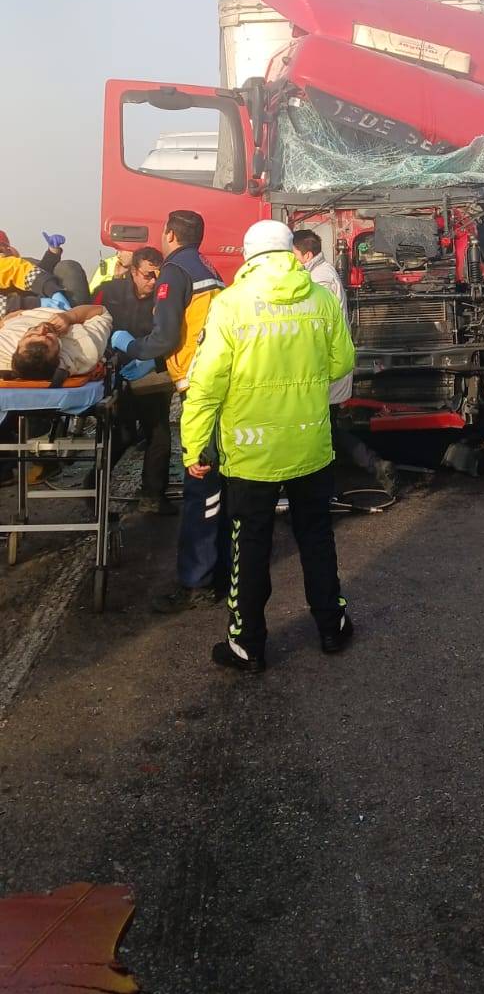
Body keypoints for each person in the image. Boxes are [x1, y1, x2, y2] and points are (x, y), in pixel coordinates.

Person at [182, 219, 356, 672]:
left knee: (251, 545)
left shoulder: (229, 305)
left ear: (248, 255)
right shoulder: (319, 299)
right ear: (288, 251)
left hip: (251, 451)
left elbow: (204, 385)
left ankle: (248, 644)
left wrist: (196, 446)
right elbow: (343, 362)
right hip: (309, 442)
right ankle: (331, 627)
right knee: (316, 537)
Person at [111, 210, 226, 612]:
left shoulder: (175, 271)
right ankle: (218, 570)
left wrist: (132, 347)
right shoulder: (209, 268)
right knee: (217, 480)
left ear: (170, 234)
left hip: (197, 386)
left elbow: (164, 337)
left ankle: (197, 582)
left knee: (199, 480)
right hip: (217, 378)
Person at [292, 228, 399, 497]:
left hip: (326, 368)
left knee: (323, 430)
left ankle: (355, 474)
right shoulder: (319, 274)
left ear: (306, 254)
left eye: (293, 254)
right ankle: (371, 466)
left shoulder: (320, 279)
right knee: (329, 429)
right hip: (328, 367)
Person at [96, 247, 173, 516]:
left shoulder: (166, 297)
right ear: (133, 271)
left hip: (150, 372)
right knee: (122, 434)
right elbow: (92, 324)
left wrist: (156, 361)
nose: (152, 281)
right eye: (147, 275)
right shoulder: (110, 292)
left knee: (159, 434)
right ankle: (93, 485)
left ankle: (152, 496)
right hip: (114, 371)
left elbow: (173, 335)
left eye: (157, 275)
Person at [0, 304, 112, 381]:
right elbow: (102, 312)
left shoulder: (4, 345)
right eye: (49, 337)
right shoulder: (84, 349)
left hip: (16, 310)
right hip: (67, 306)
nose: (42, 328)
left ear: (18, 344)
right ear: (59, 353)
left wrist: (5, 321)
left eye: (32, 334)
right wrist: (71, 316)